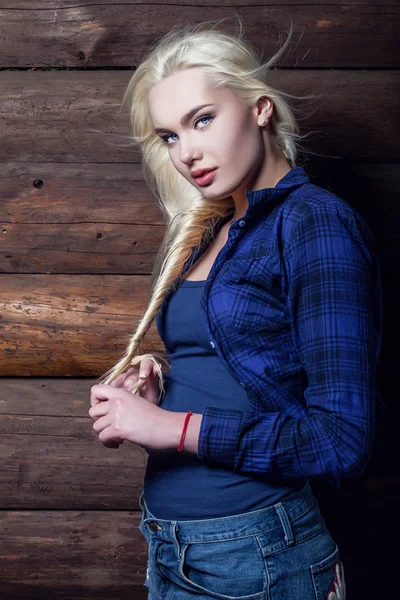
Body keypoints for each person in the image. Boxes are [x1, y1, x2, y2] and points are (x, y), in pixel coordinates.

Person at [88, 18, 383, 599]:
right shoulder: (210, 227)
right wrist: (160, 384)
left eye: (203, 120)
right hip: (173, 546)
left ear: (260, 109)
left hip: (259, 554)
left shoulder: (314, 222)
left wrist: (171, 428)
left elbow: (341, 439)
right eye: (169, 137)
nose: (187, 152)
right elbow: (242, 360)